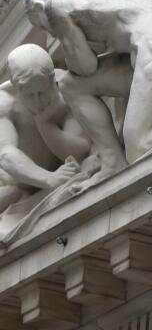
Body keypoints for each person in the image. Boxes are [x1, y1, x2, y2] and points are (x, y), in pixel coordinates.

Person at [24, 0, 152, 176]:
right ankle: (113, 161)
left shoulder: (56, 5)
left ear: (39, 6)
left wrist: (67, 38)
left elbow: (84, 67)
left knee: (138, 146)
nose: (50, 33)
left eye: (42, 26)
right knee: (71, 85)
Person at [0, 44, 89, 214]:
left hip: (56, 174)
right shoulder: (4, 102)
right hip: (10, 181)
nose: (38, 102)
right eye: (30, 95)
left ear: (51, 78)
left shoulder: (67, 87)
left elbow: (79, 152)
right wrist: (49, 178)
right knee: (11, 192)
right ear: (16, 87)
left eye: (42, 92)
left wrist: (45, 124)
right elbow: (5, 154)